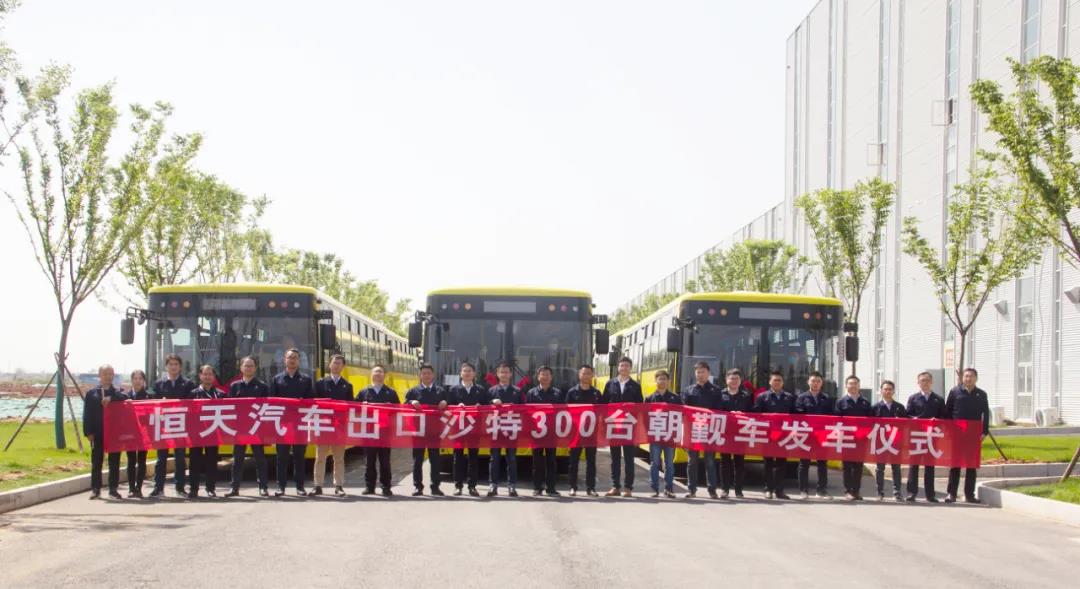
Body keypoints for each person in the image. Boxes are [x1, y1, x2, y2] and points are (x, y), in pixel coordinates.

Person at [270, 348, 315, 497]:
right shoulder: (277, 379)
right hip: (282, 425)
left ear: (299, 361)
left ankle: (300, 487)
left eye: (295, 357)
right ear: (285, 360)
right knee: (281, 457)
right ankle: (280, 487)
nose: (292, 360)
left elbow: (310, 401)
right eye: (289, 357)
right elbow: (272, 402)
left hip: (300, 424)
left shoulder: (306, 380)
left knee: (299, 457)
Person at [151, 354, 196, 498]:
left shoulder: (188, 384)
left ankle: (180, 488)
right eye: (170, 364)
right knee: (161, 459)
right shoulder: (159, 384)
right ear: (166, 366)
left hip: (180, 426)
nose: (173, 367)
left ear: (180, 367)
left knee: (180, 458)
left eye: (176, 364)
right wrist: (161, 402)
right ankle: (158, 488)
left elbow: (191, 404)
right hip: (163, 426)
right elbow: (152, 402)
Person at [226, 356, 271, 497]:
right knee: (237, 459)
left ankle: (263, 487)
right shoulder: (234, 386)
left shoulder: (262, 386)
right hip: (239, 428)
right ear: (241, 368)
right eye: (246, 365)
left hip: (256, 427)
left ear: (255, 368)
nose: (248, 368)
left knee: (260, 458)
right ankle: (234, 488)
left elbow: (266, 408)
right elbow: (229, 407)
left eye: (251, 366)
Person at [945, 368, 991, 504]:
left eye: (971, 376)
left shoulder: (981, 394)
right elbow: (948, 412)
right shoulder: (955, 392)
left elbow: (986, 414)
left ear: (976, 378)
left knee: (971, 465)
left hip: (973, 434)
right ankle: (951, 494)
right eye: (966, 376)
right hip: (957, 433)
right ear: (962, 378)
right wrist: (948, 431)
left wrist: (984, 431)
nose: (968, 379)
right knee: (955, 465)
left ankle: (969, 495)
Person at [602, 356, 643, 497]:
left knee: (629, 459)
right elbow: (604, 404)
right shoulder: (610, 384)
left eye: (627, 366)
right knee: (615, 458)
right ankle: (615, 487)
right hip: (613, 426)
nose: (624, 368)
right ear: (618, 368)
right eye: (622, 365)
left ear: (630, 368)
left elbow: (639, 406)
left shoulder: (635, 386)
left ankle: (628, 488)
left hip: (629, 427)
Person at [84, 364, 126, 499]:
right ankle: (96, 489)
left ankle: (113, 489)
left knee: (114, 461)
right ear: (99, 376)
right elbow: (87, 414)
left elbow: (125, 398)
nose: (108, 376)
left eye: (110, 374)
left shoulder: (117, 392)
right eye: (105, 374)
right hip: (98, 432)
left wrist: (111, 398)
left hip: (114, 433)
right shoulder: (92, 394)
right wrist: (88, 432)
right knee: (97, 461)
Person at [313, 354, 353, 497]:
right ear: (329, 364)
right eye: (334, 363)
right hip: (323, 425)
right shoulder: (320, 383)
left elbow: (350, 406)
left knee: (339, 458)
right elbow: (314, 404)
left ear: (343, 366)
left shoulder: (347, 386)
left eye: (339, 363)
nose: (336, 365)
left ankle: (339, 485)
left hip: (339, 427)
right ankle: (318, 485)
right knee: (320, 457)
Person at [447, 362, 490, 496]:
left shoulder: (480, 390)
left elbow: (487, 406)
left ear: (474, 374)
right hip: (458, 429)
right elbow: (448, 406)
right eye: (464, 371)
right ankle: (458, 486)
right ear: (460, 374)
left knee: (473, 458)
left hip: (474, 429)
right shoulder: (453, 390)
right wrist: (456, 406)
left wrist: (480, 406)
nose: (467, 373)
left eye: (470, 371)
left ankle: (472, 486)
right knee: (458, 457)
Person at [405, 364, 448, 496]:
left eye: (429, 373)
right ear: (420, 375)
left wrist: (445, 403)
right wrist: (411, 403)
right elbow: (404, 405)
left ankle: (435, 486)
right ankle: (418, 486)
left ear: (433, 375)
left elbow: (449, 405)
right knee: (417, 460)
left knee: (435, 459)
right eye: (424, 373)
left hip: (435, 430)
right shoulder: (413, 391)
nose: (426, 375)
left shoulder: (440, 391)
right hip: (418, 430)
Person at [754, 371, 796, 500]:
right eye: (774, 380)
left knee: (781, 464)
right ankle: (768, 489)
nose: (777, 382)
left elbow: (795, 415)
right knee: (768, 463)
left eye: (779, 380)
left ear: (783, 383)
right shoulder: (762, 397)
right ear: (770, 382)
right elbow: (756, 414)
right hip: (768, 435)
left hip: (784, 435)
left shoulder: (789, 397)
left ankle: (779, 490)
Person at [681, 361, 720, 499]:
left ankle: (712, 490)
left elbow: (719, 411)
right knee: (692, 461)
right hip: (693, 431)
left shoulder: (716, 391)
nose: (700, 374)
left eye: (703, 372)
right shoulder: (689, 390)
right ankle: (691, 489)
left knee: (710, 461)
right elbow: (684, 410)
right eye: (698, 372)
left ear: (708, 373)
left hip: (710, 431)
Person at [906, 371, 946, 502]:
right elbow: (907, 415)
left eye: (927, 380)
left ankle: (930, 495)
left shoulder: (938, 399)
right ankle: (911, 493)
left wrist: (937, 420)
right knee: (914, 465)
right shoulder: (913, 398)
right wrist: (914, 419)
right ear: (918, 383)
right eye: (922, 380)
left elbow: (944, 417)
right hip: (917, 436)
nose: (925, 383)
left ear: (932, 382)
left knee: (929, 466)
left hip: (932, 437)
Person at [358, 364, 398, 496]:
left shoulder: (391, 392)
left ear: (384, 375)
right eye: (375, 372)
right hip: (368, 432)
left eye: (380, 372)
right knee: (369, 461)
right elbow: (355, 409)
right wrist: (361, 406)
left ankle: (386, 487)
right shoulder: (364, 392)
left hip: (385, 432)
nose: (378, 374)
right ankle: (369, 486)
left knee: (385, 461)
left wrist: (391, 408)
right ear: (371, 374)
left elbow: (398, 410)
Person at [564, 364, 601, 497]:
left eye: (588, 373)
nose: (586, 376)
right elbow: (565, 412)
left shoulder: (597, 393)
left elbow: (602, 412)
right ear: (579, 375)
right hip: (575, 433)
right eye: (583, 373)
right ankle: (572, 487)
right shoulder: (571, 392)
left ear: (592, 375)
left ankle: (591, 488)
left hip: (591, 432)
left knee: (591, 461)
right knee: (573, 461)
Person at [488, 361, 523, 497]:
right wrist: (492, 402)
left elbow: (524, 410)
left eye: (506, 372)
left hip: (511, 429)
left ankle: (512, 486)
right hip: (495, 429)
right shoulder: (491, 391)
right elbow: (484, 409)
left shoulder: (517, 391)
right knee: (494, 459)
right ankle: (493, 485)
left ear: (510, 374)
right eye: (501, 372)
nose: (504, 374)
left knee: (512, 459)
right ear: (497, 374)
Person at [795, 371, 832, 499]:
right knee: (804, 463)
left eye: (818, 381)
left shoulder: (826, 398)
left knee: (822, 463)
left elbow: (831, 417)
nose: (815, 383)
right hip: (806, 435)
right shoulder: (801, 398)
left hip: (822, 435)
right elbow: (798, 416)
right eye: (813, 381)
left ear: (821, 383)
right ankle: (803, 490)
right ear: (808, 382)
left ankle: (821, 490)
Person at [526, 365, 563, 497]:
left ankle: (551, 488)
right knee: (537, 461)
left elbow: (562, 412)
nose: (545, 377)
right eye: (543, 374)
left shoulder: (557, 393)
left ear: (551, 377)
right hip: (536, 433)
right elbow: (527, 413)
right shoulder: (531, 393)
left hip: (552, 433)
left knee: (551, 461)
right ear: (538, 377)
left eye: (547, 374)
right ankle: (537, 487)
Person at [189, 365, 224, 498]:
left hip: (213, 432)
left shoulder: (220, 394)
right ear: (200, 376)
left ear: (214, 377)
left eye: (210, 374)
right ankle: (193, 489)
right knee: (194, 462)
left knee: (211, 462)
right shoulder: (193, 394)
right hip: (196, 433)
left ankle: (211, 488)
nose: (208, 377)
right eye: (205, 374)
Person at [835, 375, 872, 500]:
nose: (853, 386)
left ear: (859, 386)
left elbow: (870, 421)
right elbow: (836, 420)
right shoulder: (841, 402)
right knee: (847, 466)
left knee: (858, 466)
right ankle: (848, 491)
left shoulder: (865, 402)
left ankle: (856, 491)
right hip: (846, 438)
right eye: (850, 383)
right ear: (846, 386)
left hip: (861, 439)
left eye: (855, 383)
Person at [718, 368, 753, 498]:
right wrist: (728, 414)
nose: (734, 381)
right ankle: (725, 489)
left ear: (740, 381)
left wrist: (742, 414)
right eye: (731, 378)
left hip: (740, 433)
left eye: (736, 379)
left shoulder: (746, 396)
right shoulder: (719, 395)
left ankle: (738, 490)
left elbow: (752, 413)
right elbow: (715, 411)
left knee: (739, 463)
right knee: (725, 462)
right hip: (725, 433)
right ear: (726, 380)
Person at [646, 370, 680, 498]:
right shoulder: (649, 398)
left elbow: (682, 414)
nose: (662, 381)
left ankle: (669, 488)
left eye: (665, 379)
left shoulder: (675, 398)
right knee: (655, 463)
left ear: (669, 381)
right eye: (660, 379)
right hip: (655, 436)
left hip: (670, 436)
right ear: (656, 381)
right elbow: (644, 416)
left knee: (669, 463)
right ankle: (654, 489)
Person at [872, 380, 908, 501]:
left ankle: (897, 493)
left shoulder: (899, 407)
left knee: (896, 468)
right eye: (885, 389)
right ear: (881, 391)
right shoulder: (875, 407)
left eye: (890, 389)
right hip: (880, 442)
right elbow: (870, 425)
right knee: (880, 468)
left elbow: (905, 424)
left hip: (895, 442)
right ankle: (880, 493)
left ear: (893, 391)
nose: (887, 391)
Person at [123, 369, 152, 498]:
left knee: (142, 460)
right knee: (131, 460)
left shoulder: (148, 397)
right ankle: (131, 488)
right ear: (131, 380)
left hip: (143, 434)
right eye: (135, 378)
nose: (137, 381)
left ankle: (139, 488)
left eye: (140, 378)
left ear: (143, 381)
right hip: (129, 433)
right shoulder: (125, 397)